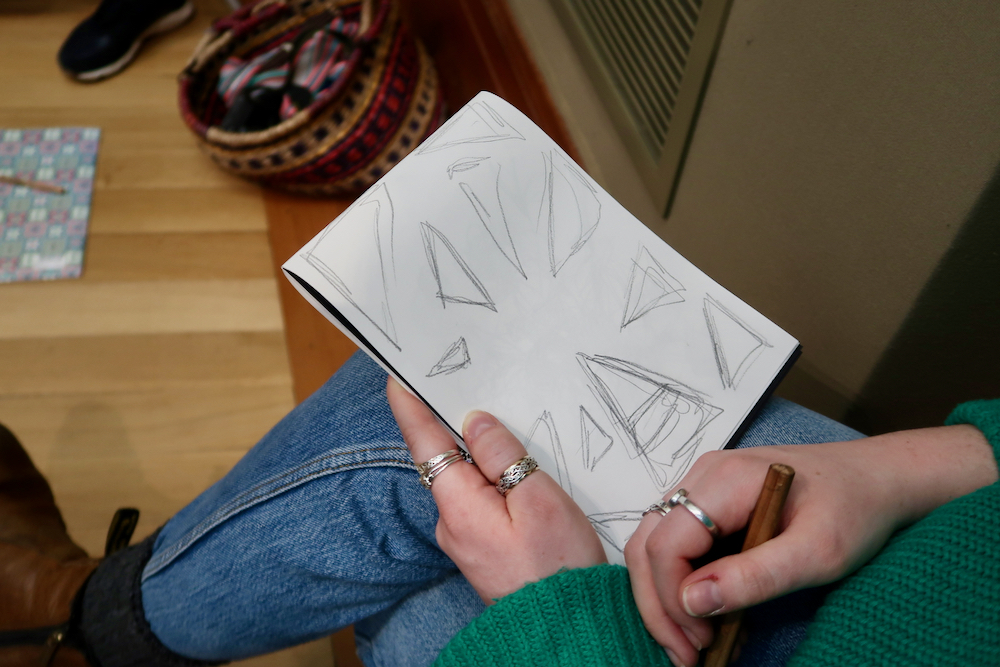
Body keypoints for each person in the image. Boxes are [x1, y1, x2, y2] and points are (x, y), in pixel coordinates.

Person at [1, 351, 998, 666]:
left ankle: (78, 623)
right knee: (465, 418)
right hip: (920, 558)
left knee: (405, 444)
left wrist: (559, 617)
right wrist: (912, 466)